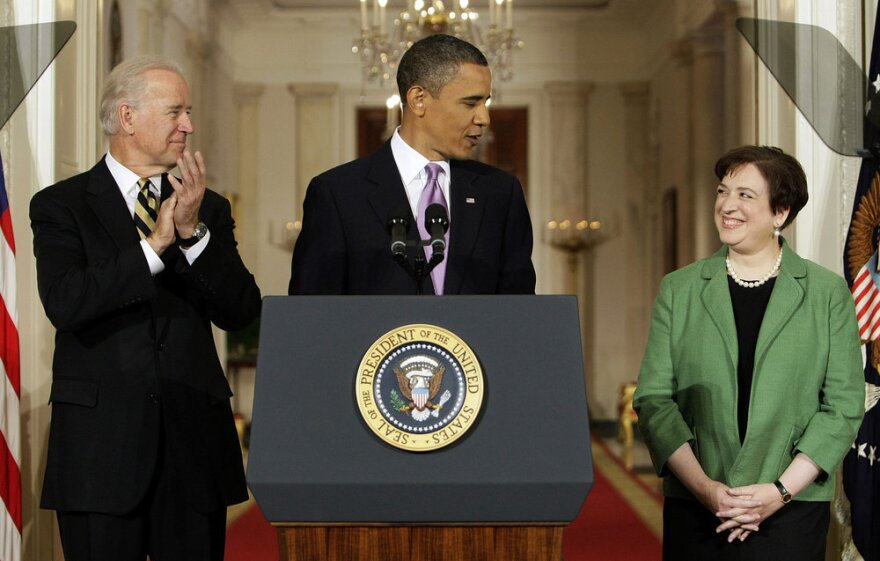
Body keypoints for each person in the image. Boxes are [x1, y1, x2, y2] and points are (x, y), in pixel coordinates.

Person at [30, 55, 261, 561]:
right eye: (176, 111)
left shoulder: (208, 207)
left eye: (190, 111)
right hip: (100, 453)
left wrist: (193, 235)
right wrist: (153, 247)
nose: (189, 125)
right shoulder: (60, 205)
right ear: (128, 117)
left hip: (193, 452)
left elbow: (242, 310)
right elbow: (67, 302)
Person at [634, 145, 865, 560]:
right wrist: (707, 489)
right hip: (698, 508)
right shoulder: (679, 289)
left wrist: (778, 492)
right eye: (723, 191)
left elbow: (843, 407)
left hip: (791, 509)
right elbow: (654, 400)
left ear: (781, 213)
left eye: (745, 195)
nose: (727, 204)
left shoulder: (827, 293)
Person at [289, 34, 536, 295]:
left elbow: (519, 311)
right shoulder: (338, 194)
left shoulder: (500, 192)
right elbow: (311, 314)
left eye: (485, 102)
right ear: (418, 99)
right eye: (471, 103)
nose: (484, 118)